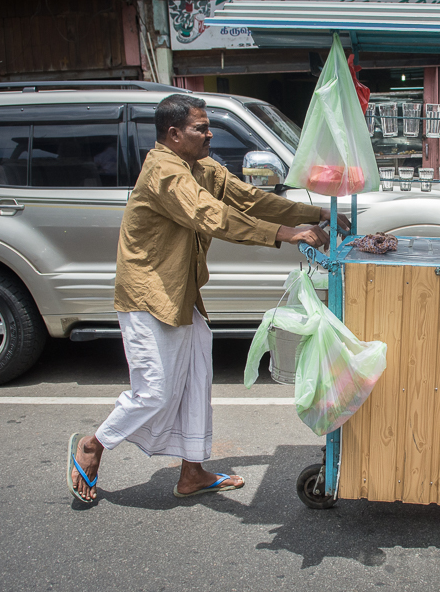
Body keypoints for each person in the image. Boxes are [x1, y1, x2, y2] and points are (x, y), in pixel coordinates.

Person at [67, 94, 349, 503]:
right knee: (155, 392)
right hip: (148, 296)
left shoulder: (201, 166)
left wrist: (314, 214)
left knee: (196, 380)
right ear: (174, 133)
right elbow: (210, 215)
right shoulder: (164, 171)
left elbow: (247, 199)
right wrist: (284, 234)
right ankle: (94, 443)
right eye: (200, 128)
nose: (209, 133)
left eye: (207, 126)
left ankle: (192, 472)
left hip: (183, 294)